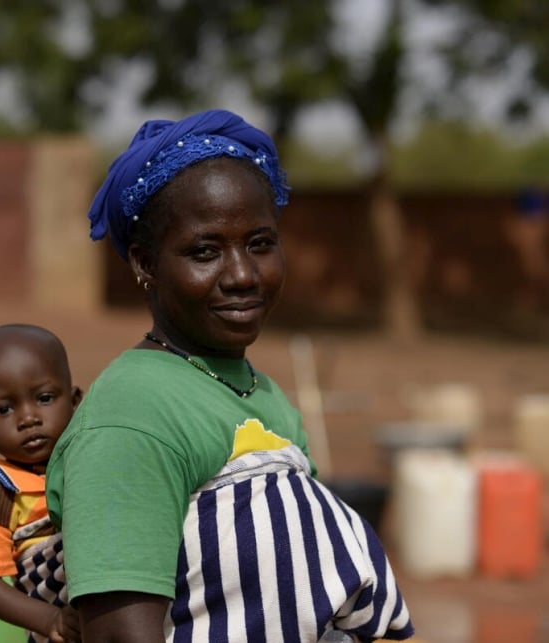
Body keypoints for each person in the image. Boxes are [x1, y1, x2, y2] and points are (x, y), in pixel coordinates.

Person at [45, 109, 415, 642]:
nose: (242, 275)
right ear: (146, 264)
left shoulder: (264, 396)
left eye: (260, 243)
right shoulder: (134, 414)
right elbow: (121, 634)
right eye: (205, 251)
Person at [0, 324, 84, 643]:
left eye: (45, 398)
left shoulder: (93, 456)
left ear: (76, 402)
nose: (28, 418)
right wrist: (49, 619)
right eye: (3, 409)